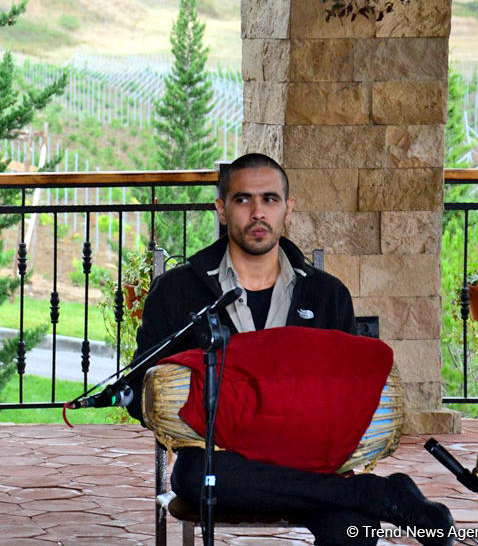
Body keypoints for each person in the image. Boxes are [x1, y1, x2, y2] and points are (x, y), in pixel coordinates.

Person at [127, 153, 454, 546]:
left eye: (270, 199)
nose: (257, 212)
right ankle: (378, 493)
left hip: (312, 456)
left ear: (288, 208)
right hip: (224, 456)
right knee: (194, 476)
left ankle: (355, 495)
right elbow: (139, 388)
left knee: (350, 527)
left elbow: (349, 390)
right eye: (243, 199)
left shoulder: (327, 293)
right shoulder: (179, 291)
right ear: (222, 209)